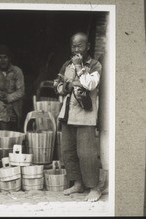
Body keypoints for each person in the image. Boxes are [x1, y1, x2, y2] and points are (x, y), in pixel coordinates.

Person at [54, 32, 103, 202]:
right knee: (68, 151)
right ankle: (78, 183)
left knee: (87, 153)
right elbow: (57, 85)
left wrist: (79, 69)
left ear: (87, 46)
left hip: (85, 115)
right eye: (73, 46)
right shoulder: (66, 64)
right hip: (67, 114)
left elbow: (90, 84)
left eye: (80, 46)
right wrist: (64, 87)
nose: (76, 49)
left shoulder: (95, 65)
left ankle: (94, 188)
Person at [0, 45, 25, 131]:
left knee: (3, 111)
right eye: (0, 58)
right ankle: (0, 137)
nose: (3, 61)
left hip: (14, 104)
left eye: (5, 57)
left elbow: (21, 91)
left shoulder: (17, 71)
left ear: (9, 58)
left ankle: (4, 137)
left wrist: (8, 97)